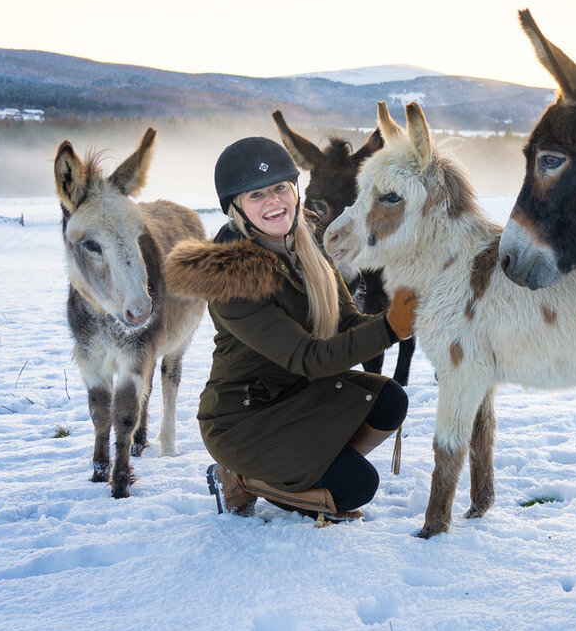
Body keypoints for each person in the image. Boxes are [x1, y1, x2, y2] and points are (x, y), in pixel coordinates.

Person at [164, 135, 417, 522]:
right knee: (355, 487)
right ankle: (241, 479)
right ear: (236, 207)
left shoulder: (308, 246)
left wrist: (413, 316)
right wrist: (389, 327)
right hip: (245, 419)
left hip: (299, 396)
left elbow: (348, 324)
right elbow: (307, 358)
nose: (273, 202)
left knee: (390, 400)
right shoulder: (230, 279)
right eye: (256, 195)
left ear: (295, 190)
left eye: (280, 187)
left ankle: (304, 467)